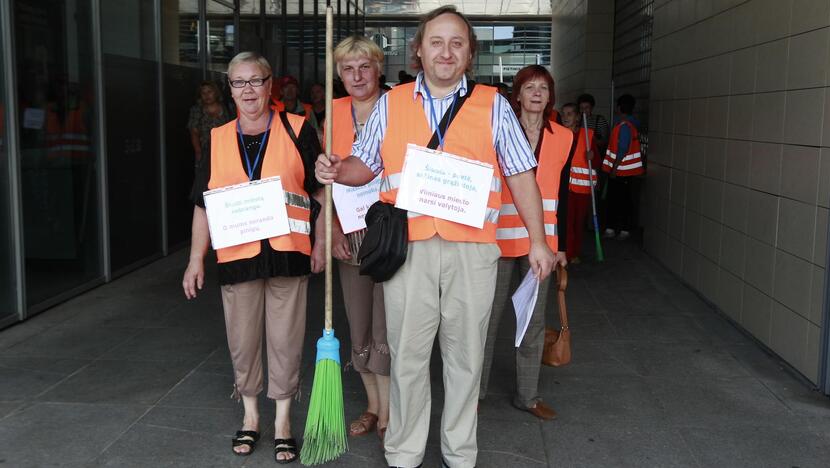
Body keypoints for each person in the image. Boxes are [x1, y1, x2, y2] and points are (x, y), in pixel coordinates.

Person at [315, 6, 555, 468]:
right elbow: (364, 164)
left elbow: (523, 175)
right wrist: (337, 169)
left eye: (457, 43)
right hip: (412, 246)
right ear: (419, 51)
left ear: (469, 54)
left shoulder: (494, 105)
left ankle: (459, 452)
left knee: (465, 358)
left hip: (472, 249)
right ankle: (404, 451)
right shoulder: (392, 102)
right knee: (408, 355)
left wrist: (539, 240)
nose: (446, 52)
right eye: (436, 42)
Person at [181, 51, 326, 464]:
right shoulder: (218, 138)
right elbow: (202, 203)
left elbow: (318, 191)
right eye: (238, 82)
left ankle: (282, 421)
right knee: (243, 340)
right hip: (238, 255)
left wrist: (319, 242)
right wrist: (195, 259)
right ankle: (250, 416)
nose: (247, 90)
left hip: (288, 253)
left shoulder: (298, 129)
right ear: (230, 90)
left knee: (285, 339)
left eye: (255, 81)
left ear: (270, 85)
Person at [479, 65, 569, 421]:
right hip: (497, 238)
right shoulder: (496, 130)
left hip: (539, 245)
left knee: (532, 323)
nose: (536, 93)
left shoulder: (564, 136)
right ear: (516, 95)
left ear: (550, 97)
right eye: (529, 87)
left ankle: (528, 396)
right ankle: (476, 393)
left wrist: (559, 245)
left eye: (543, 88)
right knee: (486, 320)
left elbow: (562, 194)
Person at [329, 35, 391, 441]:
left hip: (391, 235)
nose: (357, 75)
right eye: (348, 68)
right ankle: (372, 406)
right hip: (349, 233)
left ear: (378, 68)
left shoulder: (400, 106)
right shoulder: (332, 115)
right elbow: (322, 181)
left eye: (364, 66)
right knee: (360, 325)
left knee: (389, 328)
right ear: (339, 74)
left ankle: (389, 414)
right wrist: (331, 229)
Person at [602, 93, 643, 240]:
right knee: (625, 200)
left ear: (619, 108)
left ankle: (614, 228)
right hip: (628, 172)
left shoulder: (623, 126)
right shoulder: (633, 125)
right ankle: (623, 228)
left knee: (615, 201)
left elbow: (622, 149)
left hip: (620, 171)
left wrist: (614, 169)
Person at [561, 102, 598, 263]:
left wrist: (592, 156)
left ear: (577, 117)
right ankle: (567, 253)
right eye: (563, 114)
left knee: (578, 222)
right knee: (565, 221)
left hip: (582, 189)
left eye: (569, 114)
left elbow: (597, 161)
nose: (565, 117)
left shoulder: (588, 136)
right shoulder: (558, 134)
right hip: (563, 187)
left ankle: (575, 252)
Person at [188, 81, 232, 168]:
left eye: (209, 92)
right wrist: (198, 151)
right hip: (206, 151)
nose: (206, 95)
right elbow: (194, 132)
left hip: (226, 149)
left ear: (216, 93)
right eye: (203, 93)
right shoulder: (197, 110)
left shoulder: (227, 108)